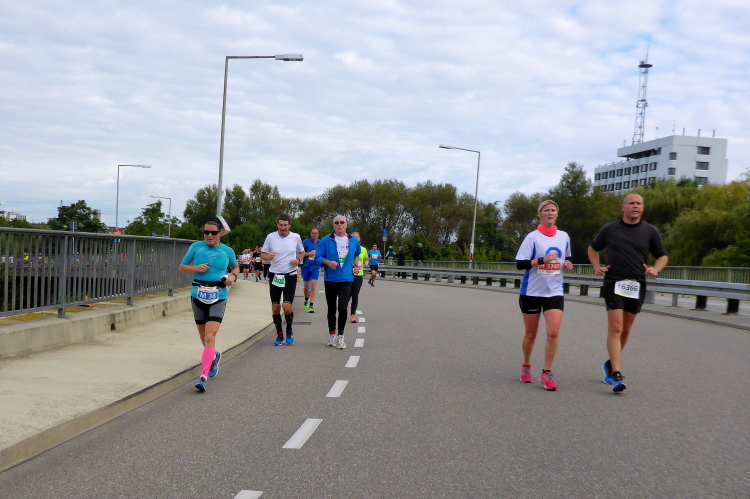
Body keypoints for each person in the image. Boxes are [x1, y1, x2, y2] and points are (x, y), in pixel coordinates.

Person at [588, 193, 668, 393]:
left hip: (636, 284)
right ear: (623, 207)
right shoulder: (610, 229)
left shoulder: (650, 231)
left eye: (639, 203)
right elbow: (593, 248)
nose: (635, 206)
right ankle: (616, 373)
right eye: (631, 203)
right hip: (614, 282)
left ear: (643, 208)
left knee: (626, 330)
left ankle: (609, 364)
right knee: (616, 328)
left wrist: (656, 269)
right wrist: (597, 267)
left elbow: (662, 255)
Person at [515, 200, 573, 391]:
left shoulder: (563, 236)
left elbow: (566, 257)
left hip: (554, 291)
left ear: (557, 214)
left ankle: (546, 373)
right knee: (531, 333)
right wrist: (542, 260)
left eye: (553, 210)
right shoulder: (532, 237)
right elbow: (520, 264)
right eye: (546, 210)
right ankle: (526, 365)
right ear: (540, 214)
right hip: (531, 291)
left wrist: (567, 263)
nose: (550, 213)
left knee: (553, 332)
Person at [179, 216, 239, 393]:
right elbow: (182, 267)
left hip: (218, 294)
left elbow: (235, 267)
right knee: (203, 336)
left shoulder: (227, 250)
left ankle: (203, 377)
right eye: (206, 232)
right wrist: (195, 268)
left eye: (213, 232)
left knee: (210, 335)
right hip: (197, 294)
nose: (209, 235)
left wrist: (232, 277)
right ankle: (214, 355)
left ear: (220, 233)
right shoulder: (196, 247)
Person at [313, 215, 361, 349]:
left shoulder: (353, 240)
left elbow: (356, 253)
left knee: (343, 308)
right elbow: (317, 257)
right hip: (331, 279)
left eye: (342, 222)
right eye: (337, 223)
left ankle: (341, 335)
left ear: (346, 224)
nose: (339, 225)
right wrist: (327, 262)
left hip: (346, 278)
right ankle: (332, 334)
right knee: (332, 308)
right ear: (333, 225)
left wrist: (355, 266)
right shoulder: (326, 240)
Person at [261, 214, 305, 346]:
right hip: (275, 275)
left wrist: (298, 260)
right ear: (277, 225)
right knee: (275, 307)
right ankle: (279, 334)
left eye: (285, 225)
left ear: (289, 225)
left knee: (286, 306)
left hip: (290, 275)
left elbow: (302, 252)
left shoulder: (295, 237)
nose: (283, 228)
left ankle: (289, 329)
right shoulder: (271, 237)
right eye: (281, 225)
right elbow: (263, 254)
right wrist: (268, 257)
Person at [301, 228, 322, 313]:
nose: (314, 234)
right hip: (306, 266)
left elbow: (324, 254)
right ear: (310, 234)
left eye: (316, 233)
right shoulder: (306, 242)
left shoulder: (321, 243)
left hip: (315, 267)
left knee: (313, 285)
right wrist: (309, 254)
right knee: (306, 287)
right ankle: (306, 298)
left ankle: (311, 305)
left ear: (318, 234)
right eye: (313, 233)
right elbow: (300, 253)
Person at [349, 232, 369, 323]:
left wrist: (366, 262)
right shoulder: (348, 248)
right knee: (347, 294)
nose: (356, 239)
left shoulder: (363, 249)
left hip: (359, 274)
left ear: (360, 239)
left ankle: (353, 315)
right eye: (354, 237)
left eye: (357, 237)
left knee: (355, 294)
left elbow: (366, 258)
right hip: (349, 274)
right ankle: (344, 307)